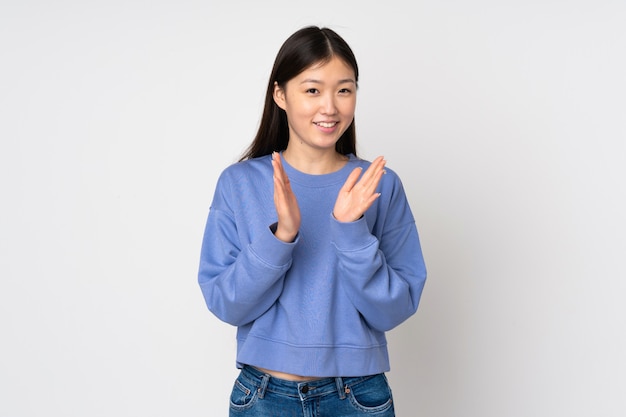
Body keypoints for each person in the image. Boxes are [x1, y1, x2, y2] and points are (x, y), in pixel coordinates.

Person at [198, 25, 427, 417]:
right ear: (280, 94)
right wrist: (281, 237)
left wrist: (351, 230)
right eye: (312, 90)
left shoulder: (378, 185)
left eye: (344, 89)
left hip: (358, 397)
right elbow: (226, 304)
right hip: (264, 397)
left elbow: (394, 309)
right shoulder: (240, 183)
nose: (330, 107)